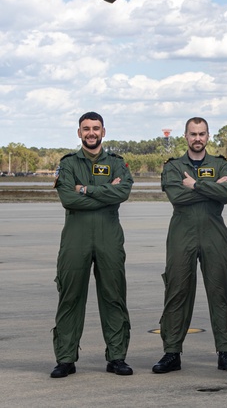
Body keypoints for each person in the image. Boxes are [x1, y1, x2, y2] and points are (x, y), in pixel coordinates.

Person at [51, 112, 134, 379]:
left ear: (103, 131)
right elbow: (68, 199)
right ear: (79, 133)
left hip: (109, 237)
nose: (91, 133)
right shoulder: (68, 163)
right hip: (76, 239)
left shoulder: (117, 163)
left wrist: (85, 190)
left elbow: (123, 192)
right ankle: (65, 358)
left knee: (114, 295)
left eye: (95, 128)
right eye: (86, 128)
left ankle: (117, 357)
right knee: (70, 296)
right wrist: (106, 193)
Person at [153, 117, 227, 375]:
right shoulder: (174, 166)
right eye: (193, 134)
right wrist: (212, 188)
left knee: (221, 291)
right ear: (185, 136)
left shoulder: (220, 164)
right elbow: (176, 196)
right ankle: (171, 352)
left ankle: (226, 352)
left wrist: (196, 184)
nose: (197, 138)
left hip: (214, 233)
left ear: (208, 136)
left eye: (202, 133)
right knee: (177, 290)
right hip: (183, 233)